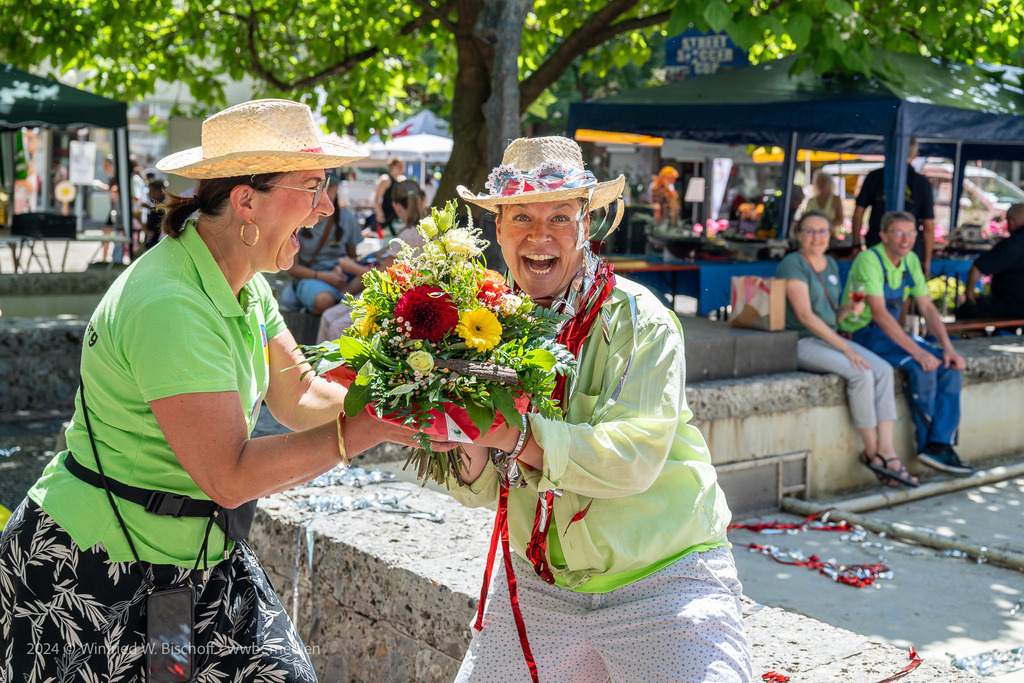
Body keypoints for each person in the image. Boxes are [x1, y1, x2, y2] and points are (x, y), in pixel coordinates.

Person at [0, 99, 428, 680]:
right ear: (245, 200)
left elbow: (300, 395)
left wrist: (412, 403)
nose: (326, 206)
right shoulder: (171, 302)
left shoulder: (242, 280)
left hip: (189, 559)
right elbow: (229, 476)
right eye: (311, 186)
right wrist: (368, 430)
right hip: (94, 567)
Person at [448, 136, 751, 682]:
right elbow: (472, 485)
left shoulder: (641, 320)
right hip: (540, 583)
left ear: (587, 224)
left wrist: (510, 433)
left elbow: (632, 458)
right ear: (499, 229)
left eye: (560, 217)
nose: (540, 236)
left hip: (663, 581)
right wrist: (452, 411)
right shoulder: (483, 327)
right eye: (521, 218)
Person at [776, 211, 917, 487]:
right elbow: (806, 317)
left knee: (884, 370)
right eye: (810, 231)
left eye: (822, 231)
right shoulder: (792, 264)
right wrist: (847, 348)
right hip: (800, 341)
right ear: (799, 234)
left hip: (827, 338)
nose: (816, 237)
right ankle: (873, 452)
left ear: (830, 235)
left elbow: (830, 316)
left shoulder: (829, 263)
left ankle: (887, 450)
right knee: (861, 373)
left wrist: (848, 310)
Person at [838, 210, 975, 477]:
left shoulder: (910, 260)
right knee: (922, 365)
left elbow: (927, 307)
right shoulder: (870, 259)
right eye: (899, 233)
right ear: (883, 236)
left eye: (911, 233)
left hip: (889, 332)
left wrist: (947, 347)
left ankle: (941, 444)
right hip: (862, 332)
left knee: (950, 366)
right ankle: (926, 445)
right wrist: (918, 352)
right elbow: (879, 314)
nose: (906, 239)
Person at [316, 179, 427, 343]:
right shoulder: (422, 230)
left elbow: (380, 278)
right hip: (402, 297)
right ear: (422, 200)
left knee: (335, 325)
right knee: (328, 317)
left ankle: (330, 368)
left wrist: (350, 267)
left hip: (392, 299)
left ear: (395, 206)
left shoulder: (407, 235)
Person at [851, 138, 936, 274]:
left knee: (875, 286)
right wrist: (927, 260)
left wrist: (855, 245)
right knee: (905, 292)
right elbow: (928, 227)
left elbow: (857, 215)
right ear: (916, 155)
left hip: (877, 243)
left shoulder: (874, 177)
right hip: (908, 248)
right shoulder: (922, 184)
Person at [286, 175, 369, 314]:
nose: (324, 193)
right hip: (312, 278)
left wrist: (341, 269)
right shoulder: (298, 217)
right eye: (318, 187)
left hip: (342, 277)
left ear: (336, 189)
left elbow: (352, 256)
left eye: (330, 187)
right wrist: (325, 276)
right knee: (325, 300)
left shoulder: (347, 217)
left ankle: (339, 301)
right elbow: (291, 268)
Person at [957, 203, 1024, 320]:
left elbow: (977, 268)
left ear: (1011, 222)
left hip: (1012, 307)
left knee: (967, 311)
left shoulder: (1013, 243)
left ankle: (974, 336)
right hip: (1014, 306)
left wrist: (969, 294)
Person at [803, 171, 844, 238]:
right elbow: (806, 219)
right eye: (819, 181)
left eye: (824, 181)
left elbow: (840, 220)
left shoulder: (835, 199)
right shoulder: (811, 201)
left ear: (829, 183)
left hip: (831, 236)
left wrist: (824, 227)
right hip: (813, 236)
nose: (821, 184)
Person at [373, 157, 405, 235]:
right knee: (387, 244)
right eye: (399, 166)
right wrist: (379, 213)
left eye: (403, 166)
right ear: (393, 166)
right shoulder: (385, 179)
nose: (402, 168)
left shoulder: (402, 180)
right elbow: (376, 199)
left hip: (398, 218)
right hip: (386, 218)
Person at [141, 177, 168, 252]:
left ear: (158, 193)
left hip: (154, 245)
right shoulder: (162, 207)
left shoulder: (159, 209)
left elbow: (151, 232)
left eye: (150, 191)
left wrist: (139, 221)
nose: (149, 194)